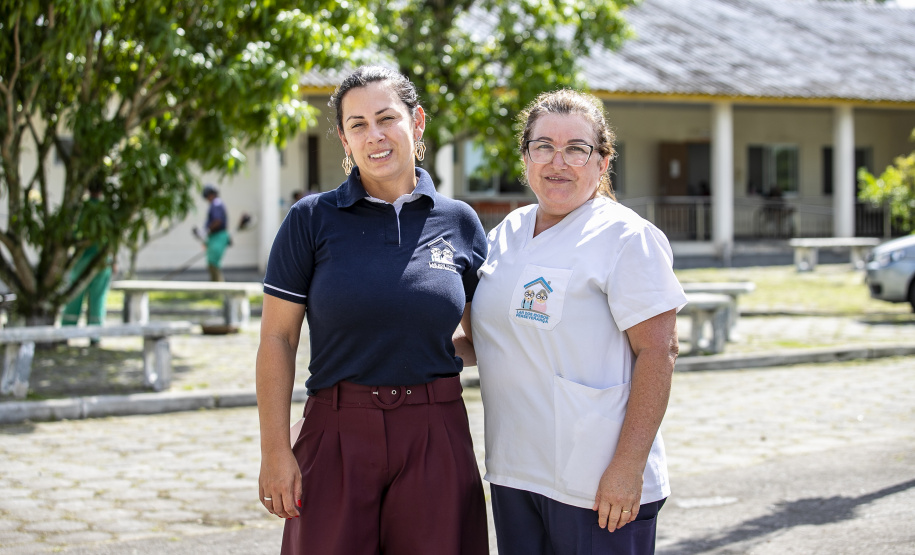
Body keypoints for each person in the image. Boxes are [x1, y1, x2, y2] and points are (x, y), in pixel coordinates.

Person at [255, 65, 489, 555]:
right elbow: (278, 339)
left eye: (387, 118)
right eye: (358, 124)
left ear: (417, 121)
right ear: (343, 137)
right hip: (336, 433)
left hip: (435, 432)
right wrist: (275, 450)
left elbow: (484, 338)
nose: (374, 135)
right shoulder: (311, 219)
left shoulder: (460, 222)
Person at [469, 89, 687, 555]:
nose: (557, 162)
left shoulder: (626, 237)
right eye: (543, 146)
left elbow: (659, 352)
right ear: (525, 157)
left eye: (576, 149)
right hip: (515, 471)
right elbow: (485, 338)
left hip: (596, 483)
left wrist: (628, 466)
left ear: (602, 162)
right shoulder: (505, 234)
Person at [61, 179, 116, 346]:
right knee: (98, 298)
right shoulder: (106, 210)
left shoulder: (81, 209)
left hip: (82, 259)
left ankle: (66, 332)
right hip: (102, 259)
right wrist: (114, 260)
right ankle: (95, 336)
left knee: (75, 295)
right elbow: (113, 237)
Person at [201, 184, 230, 281]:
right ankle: (214, 289)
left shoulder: (216, 203)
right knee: (211, 264)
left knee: (213, 264)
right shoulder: (216, 204)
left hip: (218, 236)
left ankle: (219, 289)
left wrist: (208, 230)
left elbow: (218, 220)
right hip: (215, 237)